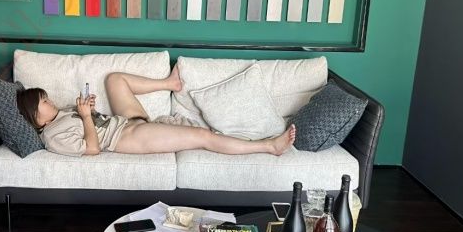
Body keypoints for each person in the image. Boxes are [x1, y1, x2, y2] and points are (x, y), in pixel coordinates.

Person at [16, 65, 296, 157]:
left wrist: (88, 109)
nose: (50, 101)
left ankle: (170, 83)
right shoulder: (52, 137)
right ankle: (268, 146)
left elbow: (94, 122)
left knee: (114, 79)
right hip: (127, 137)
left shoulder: (61, 114)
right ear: (36, 118)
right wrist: (87, 117)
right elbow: (92, 148)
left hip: (123, 122)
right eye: (44, 102)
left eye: (46, 97)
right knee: (203, 137)